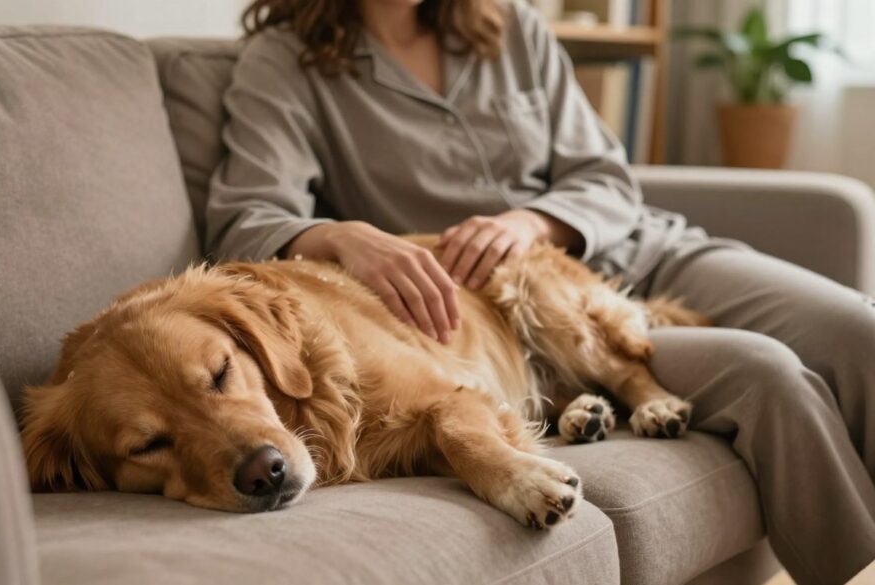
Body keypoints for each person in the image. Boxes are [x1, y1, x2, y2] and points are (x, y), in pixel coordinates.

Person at [205, 0, 875, 582]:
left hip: (645, 251)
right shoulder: (284, 60)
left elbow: (608, 181)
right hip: (519, 319)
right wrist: (344, 235)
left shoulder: (511, 27)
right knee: (768, 373)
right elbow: (246, 218)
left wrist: (528, 221)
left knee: (858, 333)